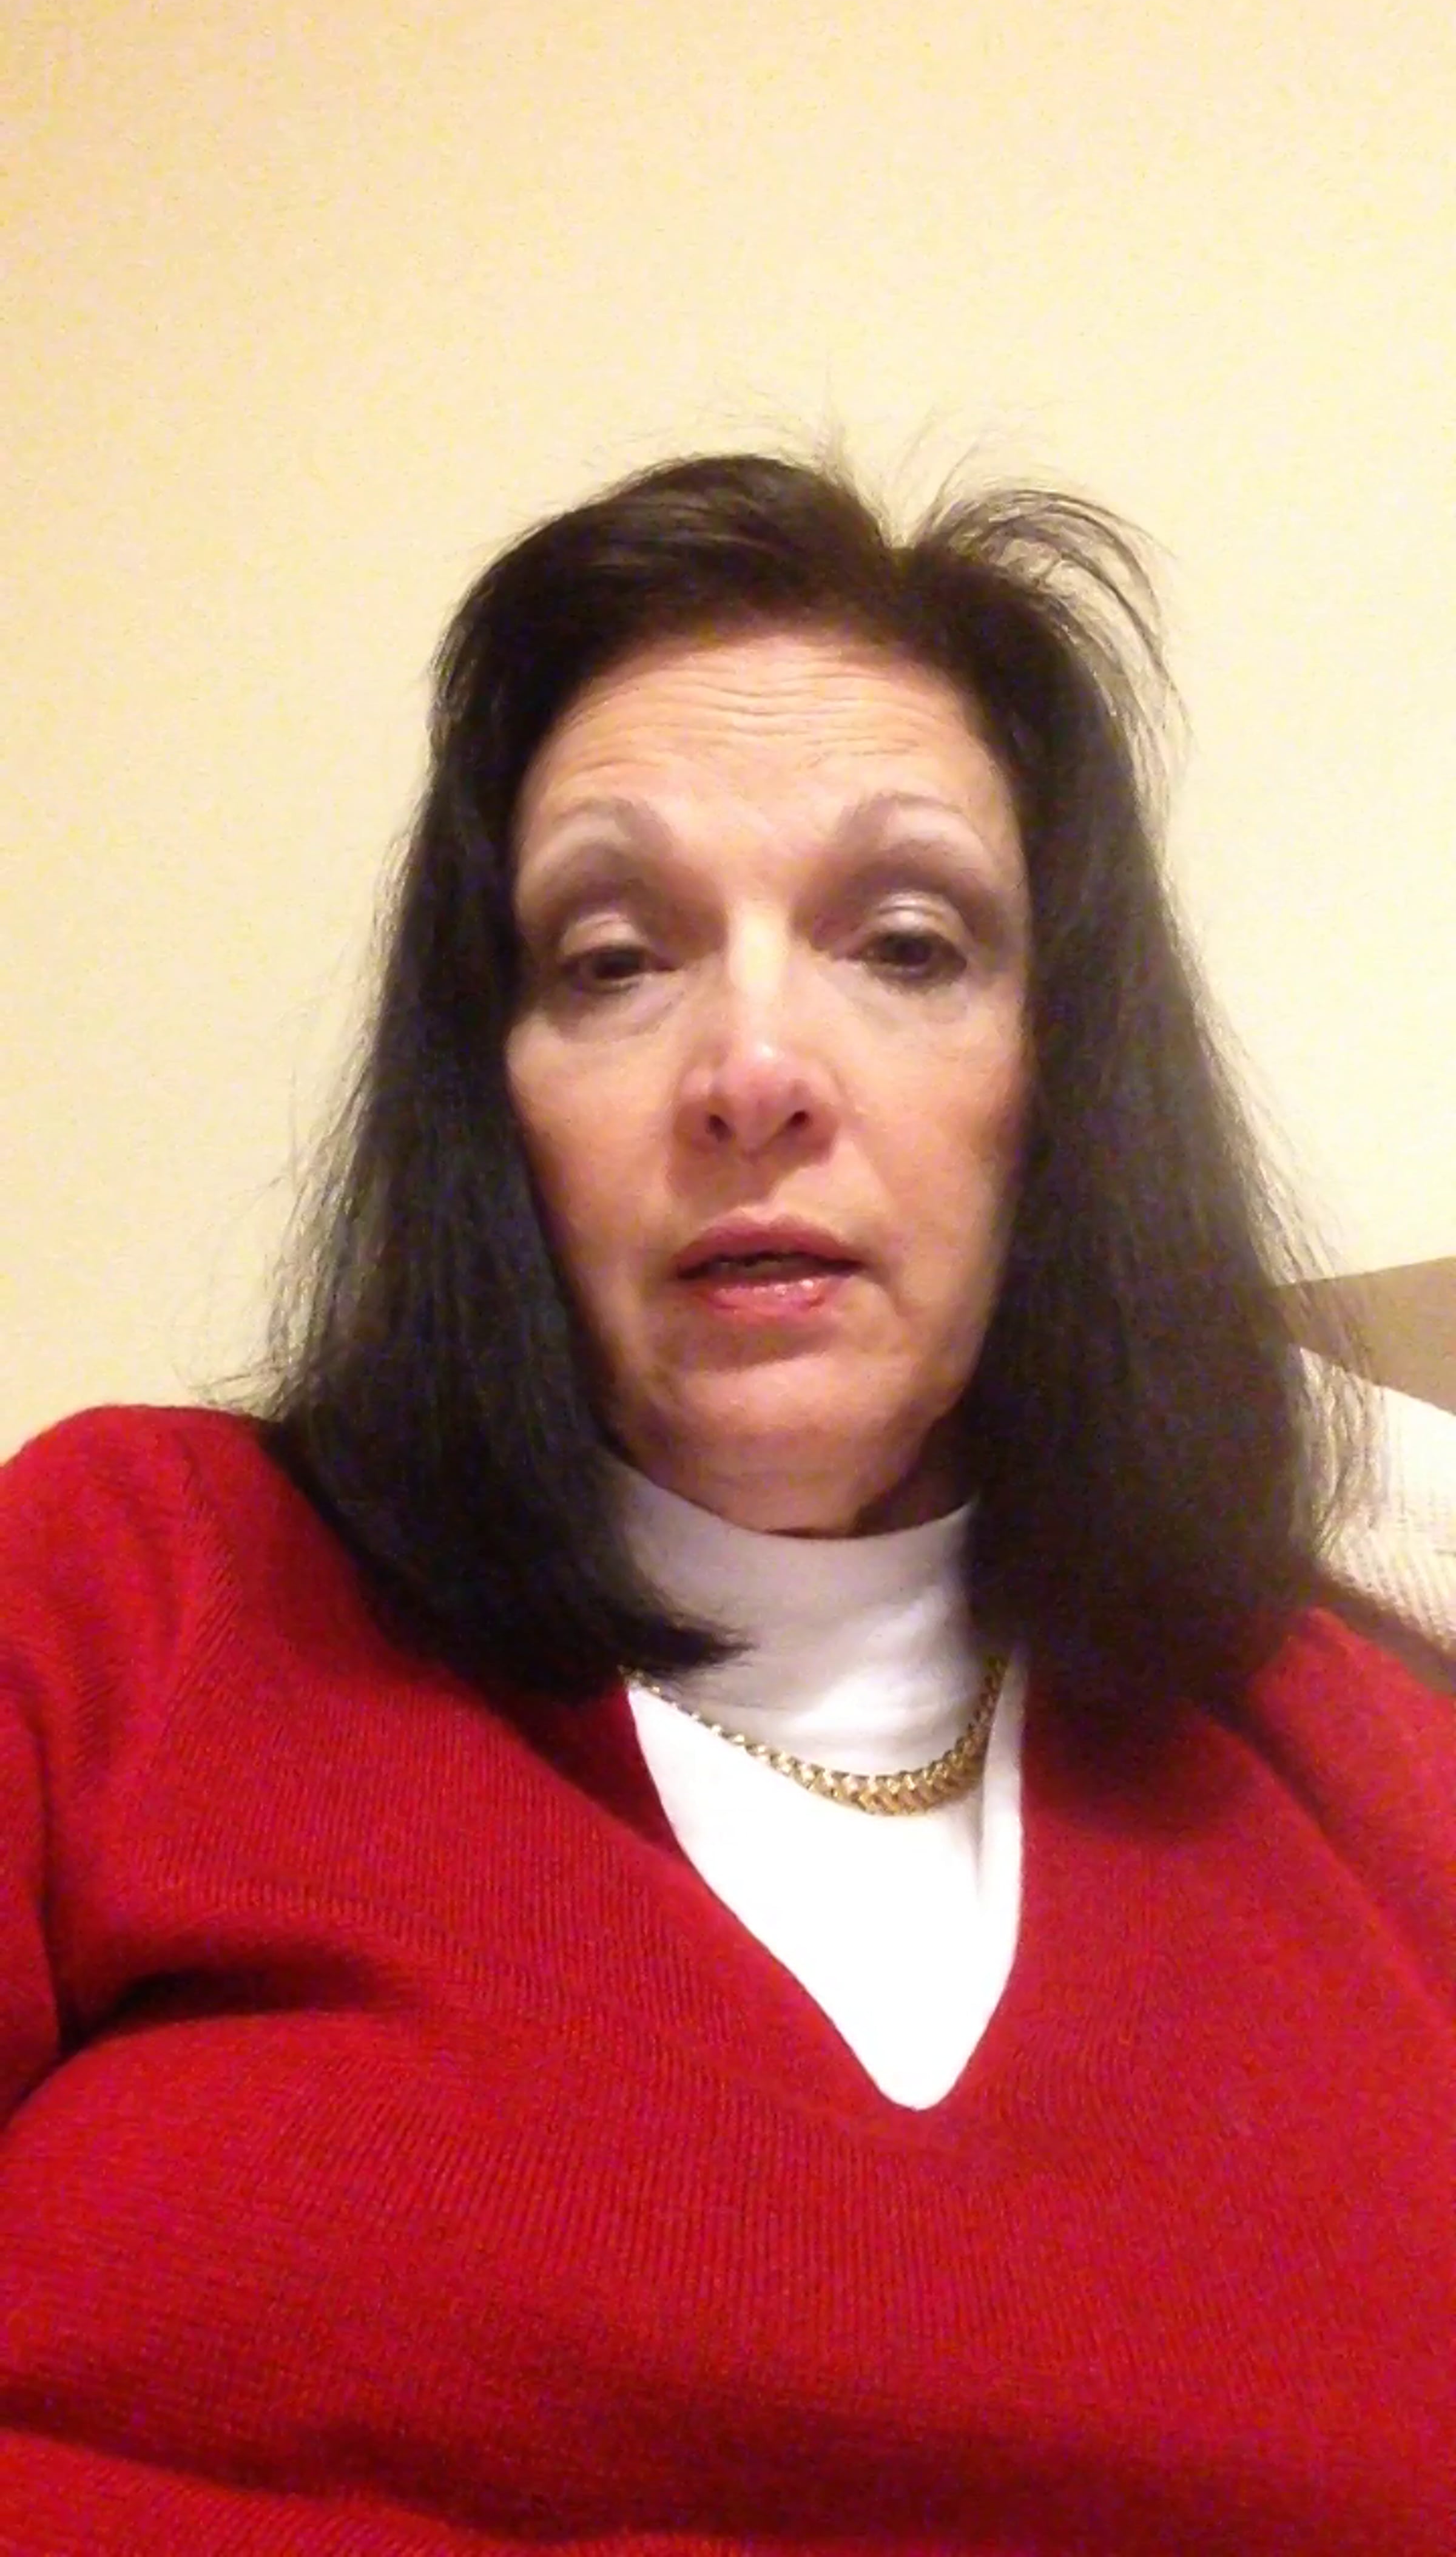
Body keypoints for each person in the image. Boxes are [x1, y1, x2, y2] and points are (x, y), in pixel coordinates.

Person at [1, 451, 1452, 2556]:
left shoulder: (1365, 1771)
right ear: (488, 1092)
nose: (753, 1070)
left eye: (908, 941)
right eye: (611, 959)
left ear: (1060, 1079)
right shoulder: (135, 1583)